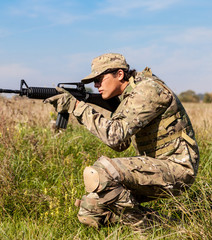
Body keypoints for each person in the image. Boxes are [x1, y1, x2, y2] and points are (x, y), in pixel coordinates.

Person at [44, 53, 199, 228]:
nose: (96, 85)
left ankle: (150, 228)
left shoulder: (147, 91)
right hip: (157, 166)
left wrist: (77, 107)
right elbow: (120, 145)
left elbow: (114, 136)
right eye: (94, 81)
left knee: (101, 172)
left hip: (178, 169)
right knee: (90, 209)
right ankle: (163, 226)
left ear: (119, 74)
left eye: (100, 79)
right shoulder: (129, 96)